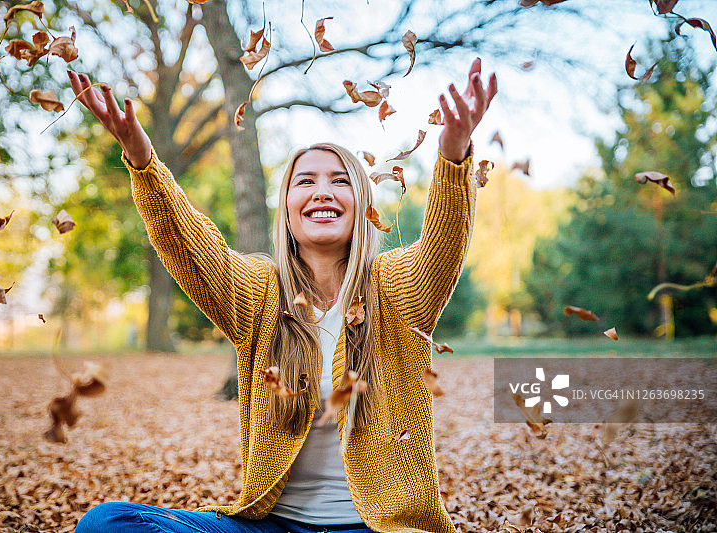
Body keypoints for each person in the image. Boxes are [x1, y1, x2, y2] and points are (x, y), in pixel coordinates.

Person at [71, 57, 497, 533]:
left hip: (379, 527)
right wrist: (142, 160)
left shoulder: (396, 288)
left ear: (363, 208)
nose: (322, 191)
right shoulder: (260, 292)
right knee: (109, 523)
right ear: (288, 210)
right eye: (305, 181)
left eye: (340, 181)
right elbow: (189, 247)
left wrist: (454, 155)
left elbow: (444, 244)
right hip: (273, 526)